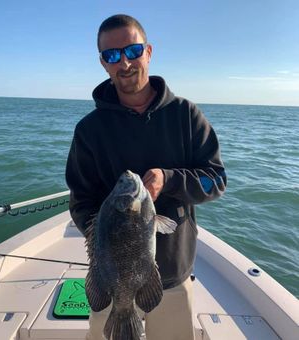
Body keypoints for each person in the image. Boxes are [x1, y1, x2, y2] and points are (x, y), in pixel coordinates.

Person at [65, 14, 227, 340]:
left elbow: (215, 181)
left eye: (132, 50)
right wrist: (108, 239)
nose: (124, 62)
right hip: (111, 282)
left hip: (172, 279)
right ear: (103, 63)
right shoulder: (89, 130)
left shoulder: (186, 115)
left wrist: (169, 179)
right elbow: (81, 200)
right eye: (112, 56)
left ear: (148, 52)